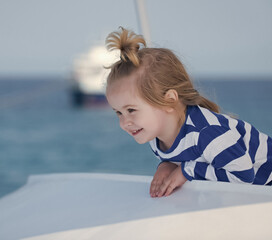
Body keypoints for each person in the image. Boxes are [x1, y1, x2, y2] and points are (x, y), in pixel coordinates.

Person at [104, 27, 272, 198]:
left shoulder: (207, 134)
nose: (124, 123)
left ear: (169, 100)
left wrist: (186, 171)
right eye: (119, 112)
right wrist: (167, 165)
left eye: (131, 110)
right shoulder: (155, 136)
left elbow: (244, 176)